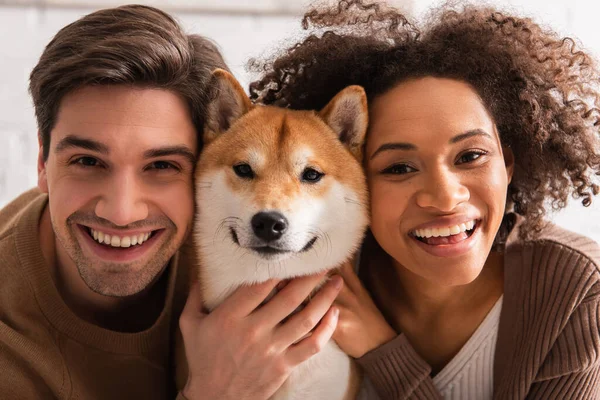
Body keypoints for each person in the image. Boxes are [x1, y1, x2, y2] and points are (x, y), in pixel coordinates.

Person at [250, 1, 600, 398]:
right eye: (399, 168)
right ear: (352, 182)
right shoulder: (302, 273)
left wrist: (381, 351)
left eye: (470, 156)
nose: (445, 197)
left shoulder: (573, 290)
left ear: (509, 162)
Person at [0, 5, 342, 399]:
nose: (121, 211)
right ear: (42, 163)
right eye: (88, 161)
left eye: (162, 165)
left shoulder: (257, 226)